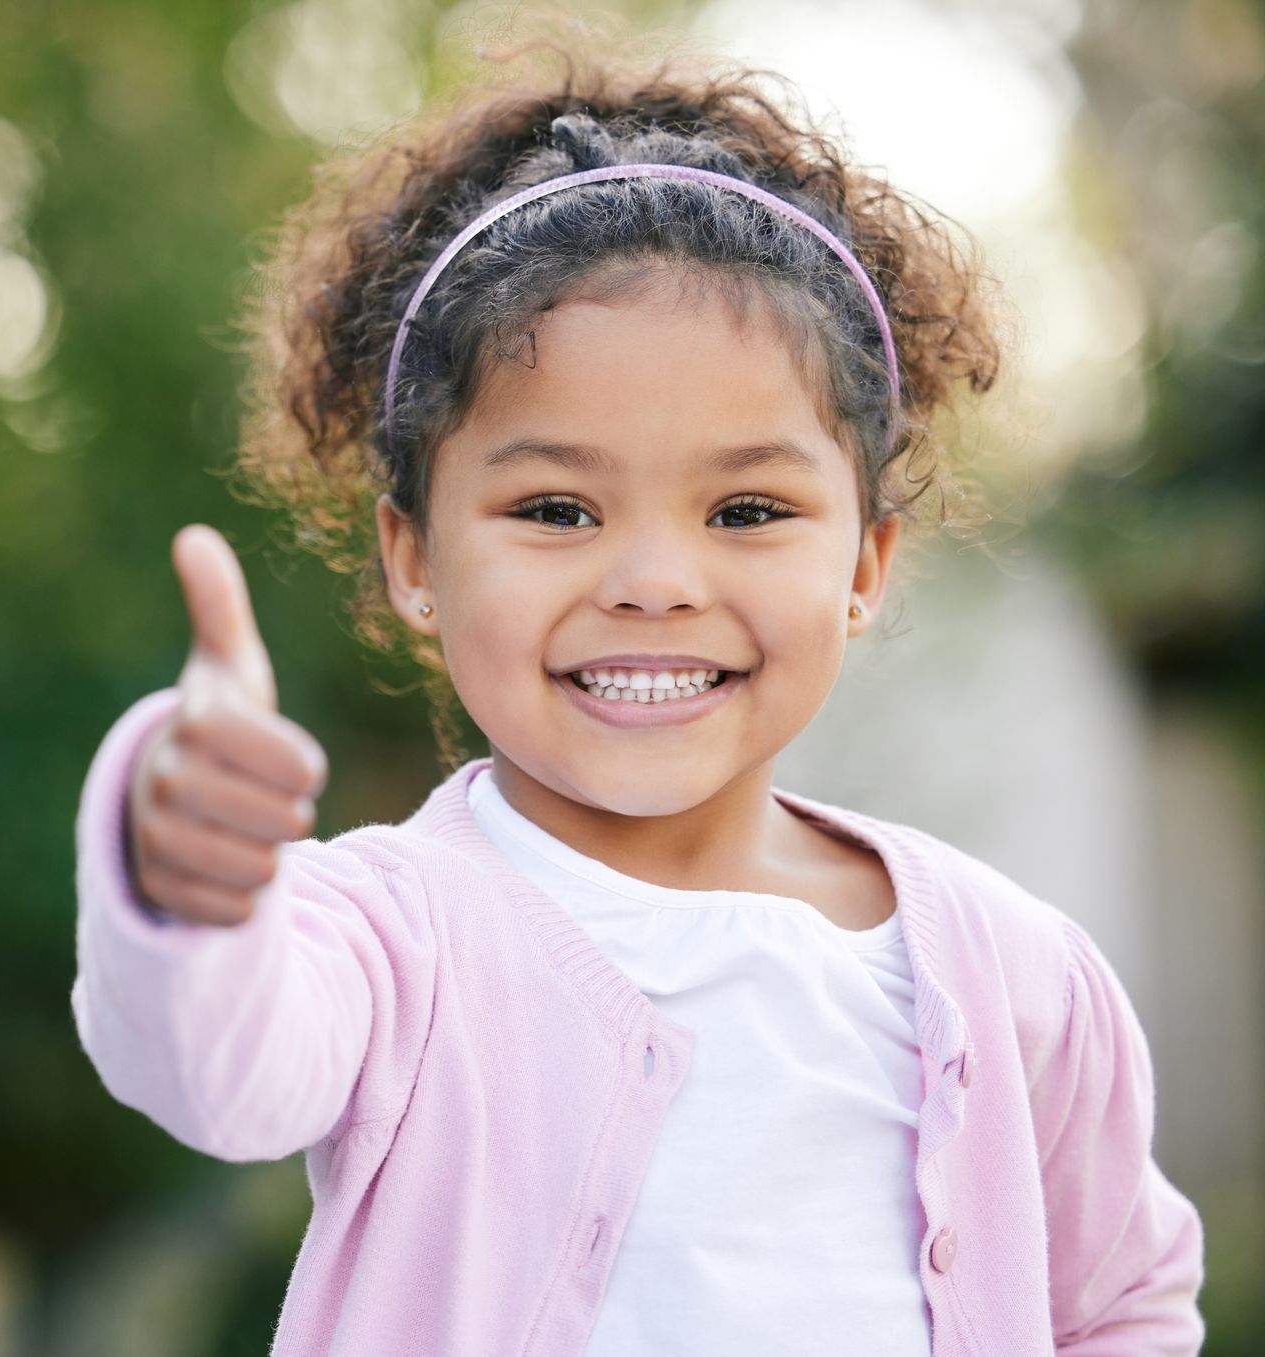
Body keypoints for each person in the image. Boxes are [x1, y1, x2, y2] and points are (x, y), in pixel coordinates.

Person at [68, 41, 1207, 1357]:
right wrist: (187, 871)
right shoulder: (391, 940)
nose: (656, 581)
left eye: (747, 509)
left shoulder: (1019, 979)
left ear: (865, 566)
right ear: (414, 561)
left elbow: (1120, 1303)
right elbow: (210, 1057)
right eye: (557, 508)